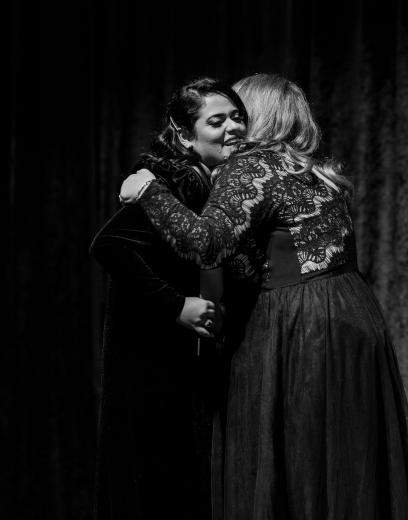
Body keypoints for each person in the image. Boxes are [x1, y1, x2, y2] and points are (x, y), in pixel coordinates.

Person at [120, 73, 408, 520]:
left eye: (239, 113)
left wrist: (149, 191)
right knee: (346, 463)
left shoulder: (251, 167)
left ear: (255, 114)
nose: (233, 125)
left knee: (295, 463)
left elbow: (206, 244)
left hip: (300, 323)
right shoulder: (314, 171)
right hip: (355, 315)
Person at [89, 77, 247, 519]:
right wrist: (174, 304)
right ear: (183, 134)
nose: (233, 127)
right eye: (217, 121)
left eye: (238, 117)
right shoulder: (179, 181)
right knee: (163, 476)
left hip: (170, 349)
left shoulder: (209, 181)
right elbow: (107, 245)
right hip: (150, 348)